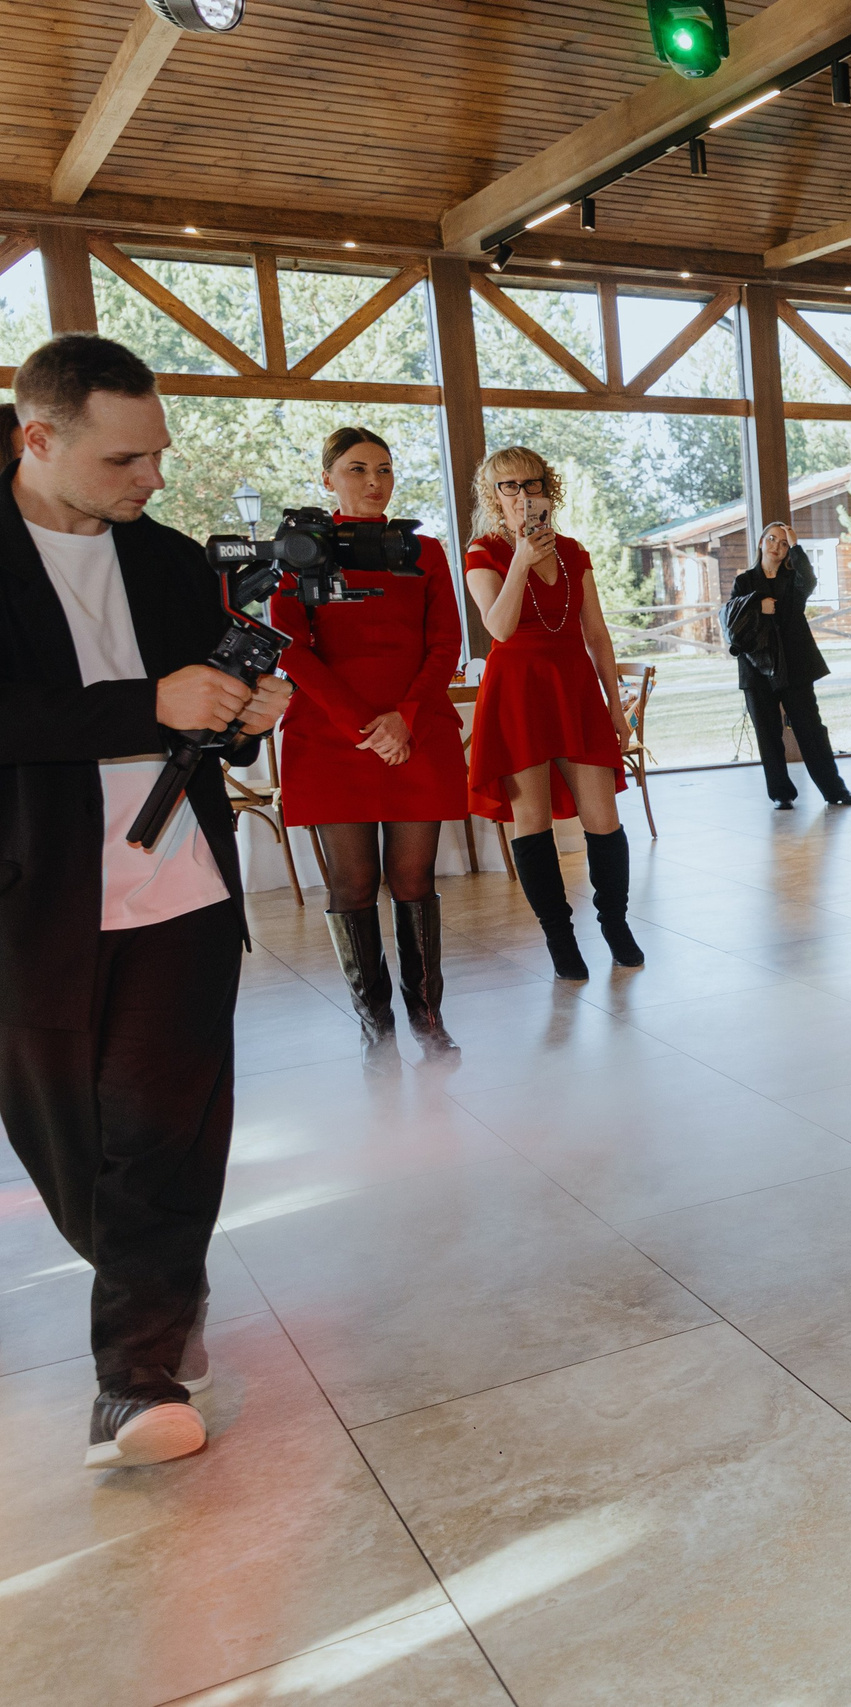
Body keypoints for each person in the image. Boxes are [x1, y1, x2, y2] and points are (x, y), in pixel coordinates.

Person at [0, 334, 291, 1466]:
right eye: (126, 460)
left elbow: (198, 715)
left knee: (163, 1132)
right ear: (40, 439)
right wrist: (149, 705)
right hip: (35, 905)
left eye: (157, 455)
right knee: (70, 1144)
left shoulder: (168, 562)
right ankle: (158, 1285)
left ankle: (135, 1375)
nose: (152, 479)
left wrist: (243, 710)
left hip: (181, 894)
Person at [270, 428, 467, 1052]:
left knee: (414, 879)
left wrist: (404, 717)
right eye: (357, 469)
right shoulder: (296, 552)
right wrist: (366, 727)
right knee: (353, 884)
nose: (374, 482)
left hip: (418, 730)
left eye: (384, 468)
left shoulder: (427, 551)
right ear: (327, 477)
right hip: (333, 738)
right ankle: (375, 1028)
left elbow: (445, 645)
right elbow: (292, 650)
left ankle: (428, 1021)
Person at [461, 447, 641, 980]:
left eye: (531, 484)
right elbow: (499, 628)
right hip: (517, 691)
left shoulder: (573, 550)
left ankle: (615, 923)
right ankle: (559, 938)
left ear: (548, 490)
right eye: (509, 486)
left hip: (575, 688)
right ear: (494, 497)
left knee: (604, 819)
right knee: (532, 822)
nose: (522, 495)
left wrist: (615, 703)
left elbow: (597, 634)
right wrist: (519, 559)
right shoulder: (482, 552)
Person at [734, 521, 851, 810]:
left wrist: (798, 544)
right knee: (768, 734)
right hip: (756, 667)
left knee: (811, 729)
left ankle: (834, 791)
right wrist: (757, 605)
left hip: (795, 665)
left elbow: (810, 580)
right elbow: (733, 618)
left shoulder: (794, 578)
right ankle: (781, 794)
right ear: (761, 541)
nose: (776, 546)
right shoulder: (744, 581)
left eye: (784, 543)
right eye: (772, 539)